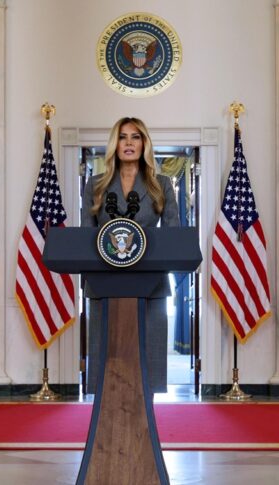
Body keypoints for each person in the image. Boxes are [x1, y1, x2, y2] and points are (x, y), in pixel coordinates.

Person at [81, 117, 180, 394]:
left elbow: (174, 236)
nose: (128, 143)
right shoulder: (95, 185)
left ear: (144, 143)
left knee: (146, 368)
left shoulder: (161, 184)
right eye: (123, 137)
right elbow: (85, 238)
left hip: (150, 286)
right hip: (104, 284)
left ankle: (144, 417)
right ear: (115, 144)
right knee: (107, 369)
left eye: (135, 137)